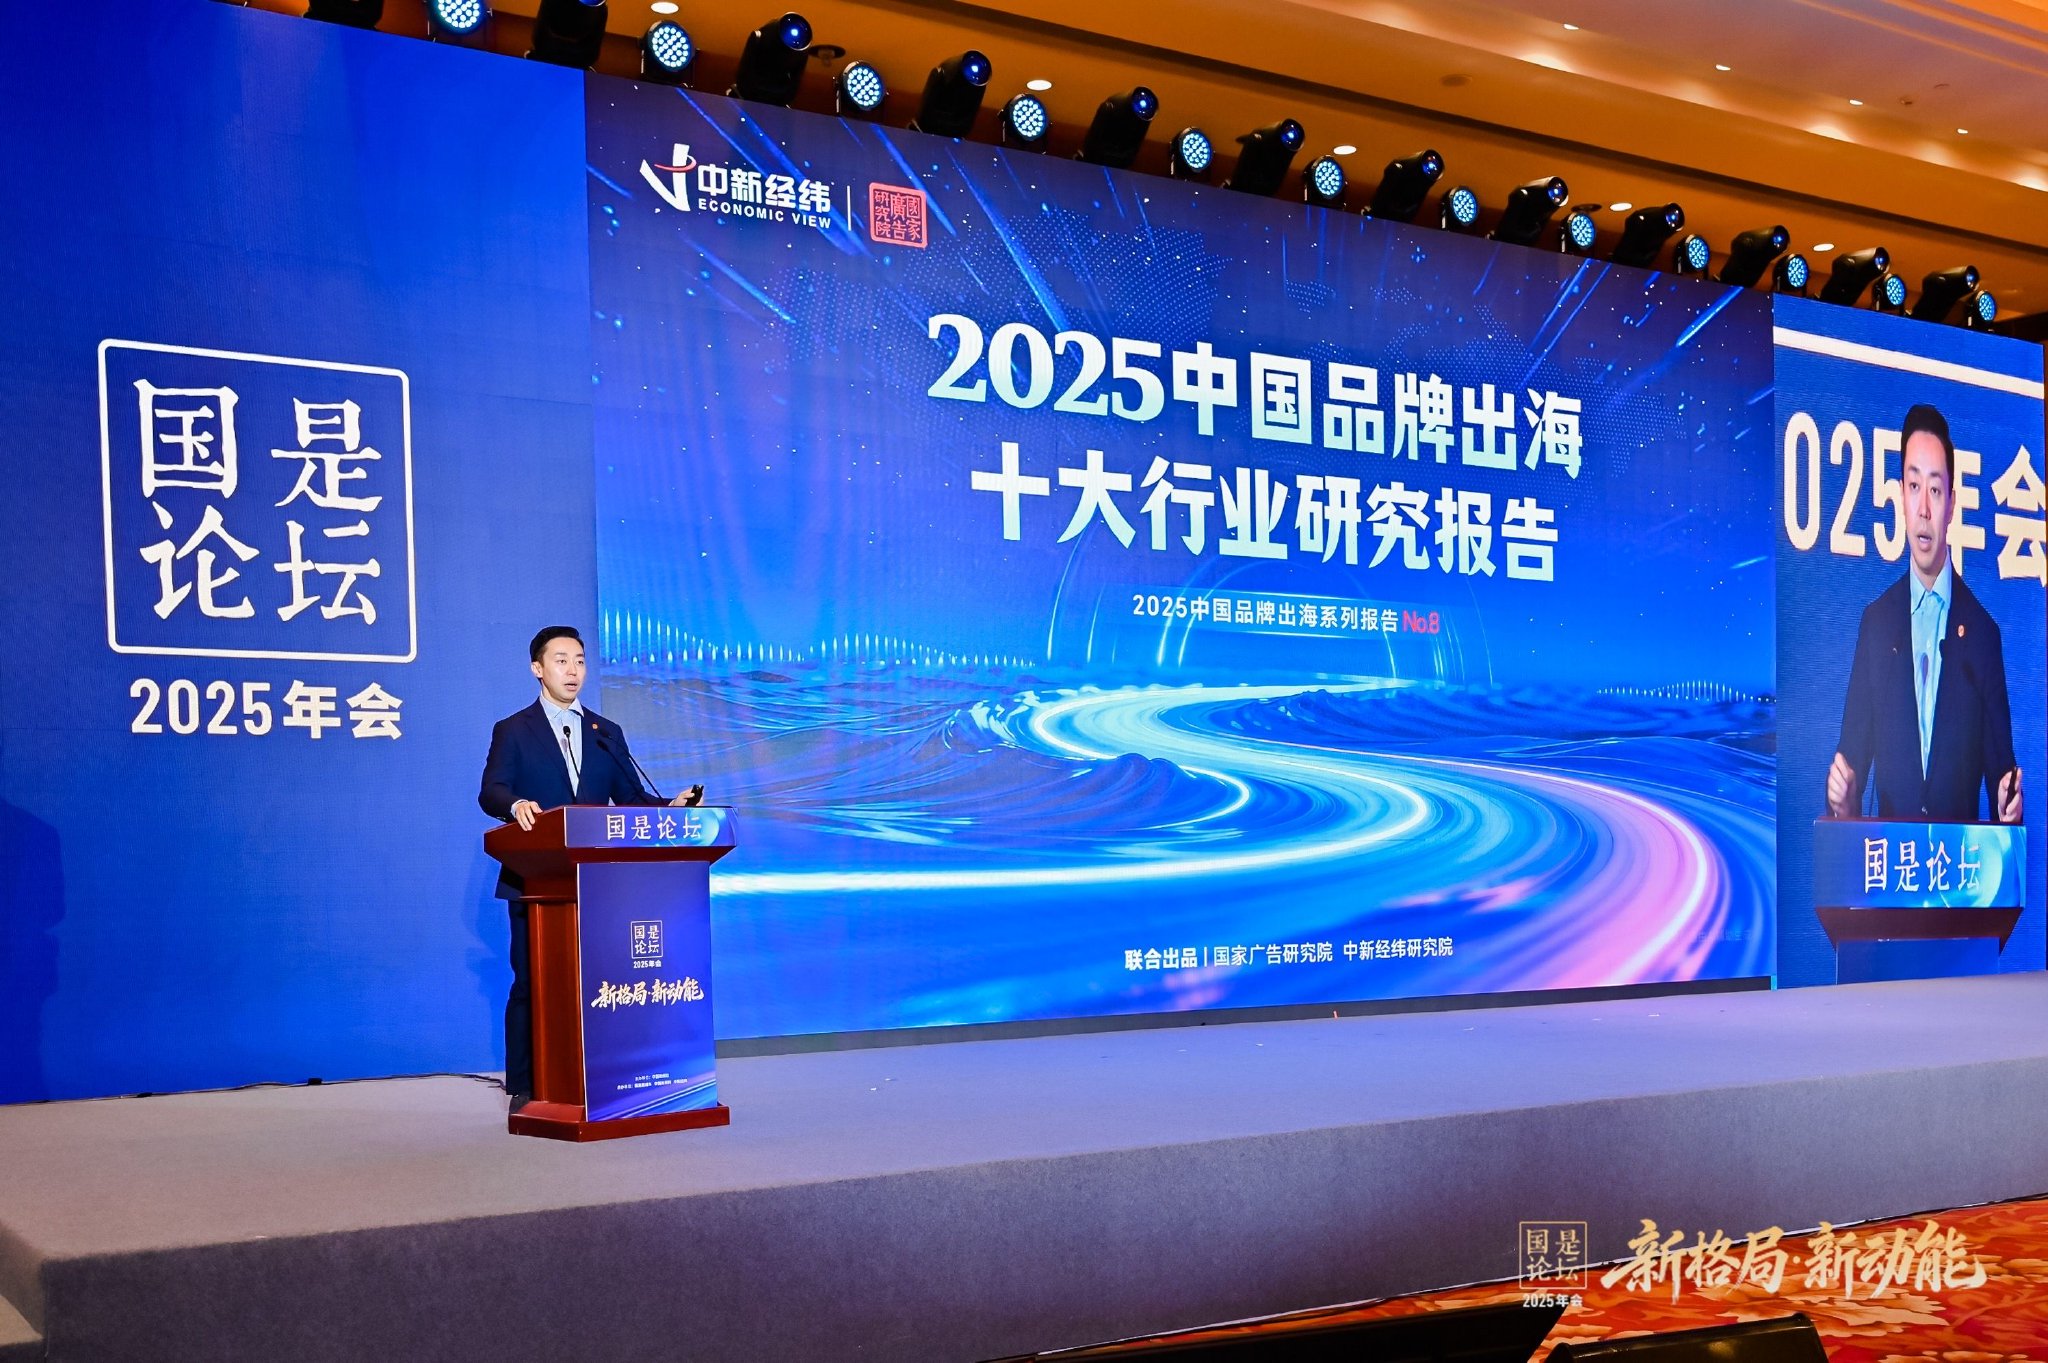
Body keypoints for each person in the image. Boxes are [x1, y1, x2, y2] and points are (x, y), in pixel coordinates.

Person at [478, 625, 692, 1108]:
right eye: (561, 660)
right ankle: (526, 1085)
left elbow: (631, 800)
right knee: (531, 982)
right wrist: (515, 805)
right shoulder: (513, 729)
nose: (573, 670)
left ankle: (601, 1077)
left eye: (579, 660)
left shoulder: (605, 732)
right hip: (536, 879)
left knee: (598, 983)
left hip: (599, 884)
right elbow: (491, 790)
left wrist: (671, 808)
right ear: (538, 669)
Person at [1827, 404, 2022, 825]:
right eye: (1914, 486)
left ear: (1952, 503)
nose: (1924, 509)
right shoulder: (1876, 625)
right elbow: (1851, 769)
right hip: (1891, 865)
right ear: (1900, 495)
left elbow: (2003, 783)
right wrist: (1843, 801)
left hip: (1959, 865)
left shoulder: (1983, 635)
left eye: (1935, 490)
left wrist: (2009, 807)